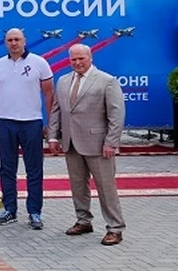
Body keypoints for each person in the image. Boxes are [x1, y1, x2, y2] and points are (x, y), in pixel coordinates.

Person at [48, 44, 127, 246]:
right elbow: (57, 111)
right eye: (73, 60)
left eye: (81, 58)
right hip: (71, 143)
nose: (77, 63)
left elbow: (116, 115)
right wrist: (53, 137)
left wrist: (111, 142)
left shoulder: (107, 81)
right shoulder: (64, 81)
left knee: (106, 187)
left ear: (90, 58)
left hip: (99, 145)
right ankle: (83, 221)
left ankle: (115, 228)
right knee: (77, 186)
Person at [0, 28, 54, 229]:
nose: (14, 43)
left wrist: (50, 124)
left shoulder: (39, 63)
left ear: (24, 40)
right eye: (10, 40)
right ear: (5, 42)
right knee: (6, 169)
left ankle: (34, 212)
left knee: (34, 170)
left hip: (31, 122)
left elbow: (49, 95)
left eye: (17, 39)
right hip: (6, 122)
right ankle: (10, 209)